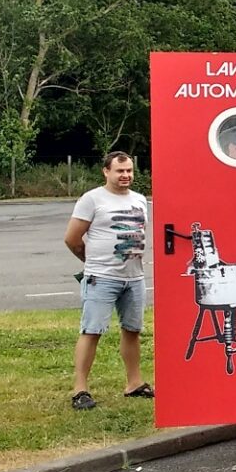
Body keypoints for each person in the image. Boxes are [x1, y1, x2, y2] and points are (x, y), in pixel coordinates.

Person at [63, 152, 152, 409]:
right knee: (92, 331)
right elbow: (72, 238)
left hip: (134, 277)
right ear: (106, 172)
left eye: (129, 171)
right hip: (101, 277)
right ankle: (80, 390)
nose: (125, 176)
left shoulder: (139, 200)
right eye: (119, 171)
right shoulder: (92, 199)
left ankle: (134, 383)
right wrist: (90, 262)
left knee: (133, 330)